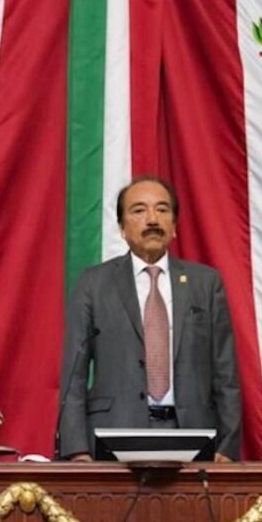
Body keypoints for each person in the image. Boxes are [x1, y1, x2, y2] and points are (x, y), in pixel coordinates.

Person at [58, 176, 242, 461]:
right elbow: (74, 374)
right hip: (113, 434)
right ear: (121, 228)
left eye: (163, 209)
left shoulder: (206, 283)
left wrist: (227, 447)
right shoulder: (93, 285)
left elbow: (225, 373)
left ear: (175, 226)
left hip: (194, 436)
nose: (152, 219)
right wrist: (77, 449)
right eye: (139, 210)